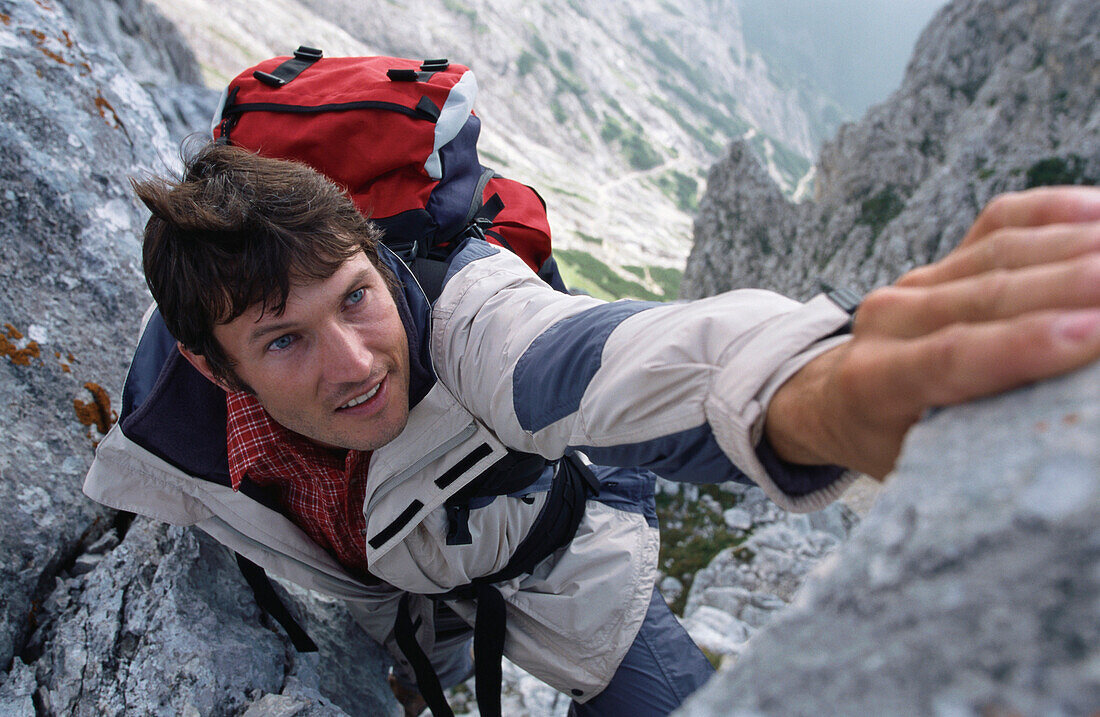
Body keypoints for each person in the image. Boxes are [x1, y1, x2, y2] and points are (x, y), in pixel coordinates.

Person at [84, 142, 1100, 716]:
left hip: (546, 550)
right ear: (217, 370)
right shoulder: (174, 432)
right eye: (285, 340)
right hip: (397, 611)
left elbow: (603, 360)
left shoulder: (468, 316)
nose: (355, 364)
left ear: (377, 260)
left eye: (355, 297)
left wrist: (820, 391)